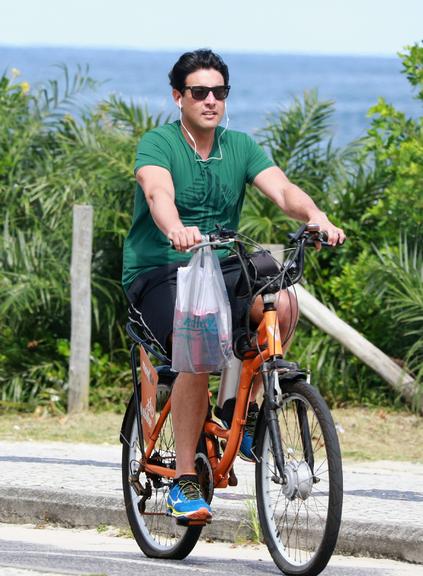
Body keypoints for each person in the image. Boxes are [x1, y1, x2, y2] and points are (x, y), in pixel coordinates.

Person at [122, 49, 345, 524]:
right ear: (178, 97)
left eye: (219, 92)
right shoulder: (159, 143)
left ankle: (234, 414)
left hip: (219, 262)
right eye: (199, 92)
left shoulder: (238, 145)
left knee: (281, 302)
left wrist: (315, 217)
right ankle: (184, 481)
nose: (210, 100)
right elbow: (156, 191)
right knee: (198, 349)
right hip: (162, 268)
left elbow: (282, 190)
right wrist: (175, 227)